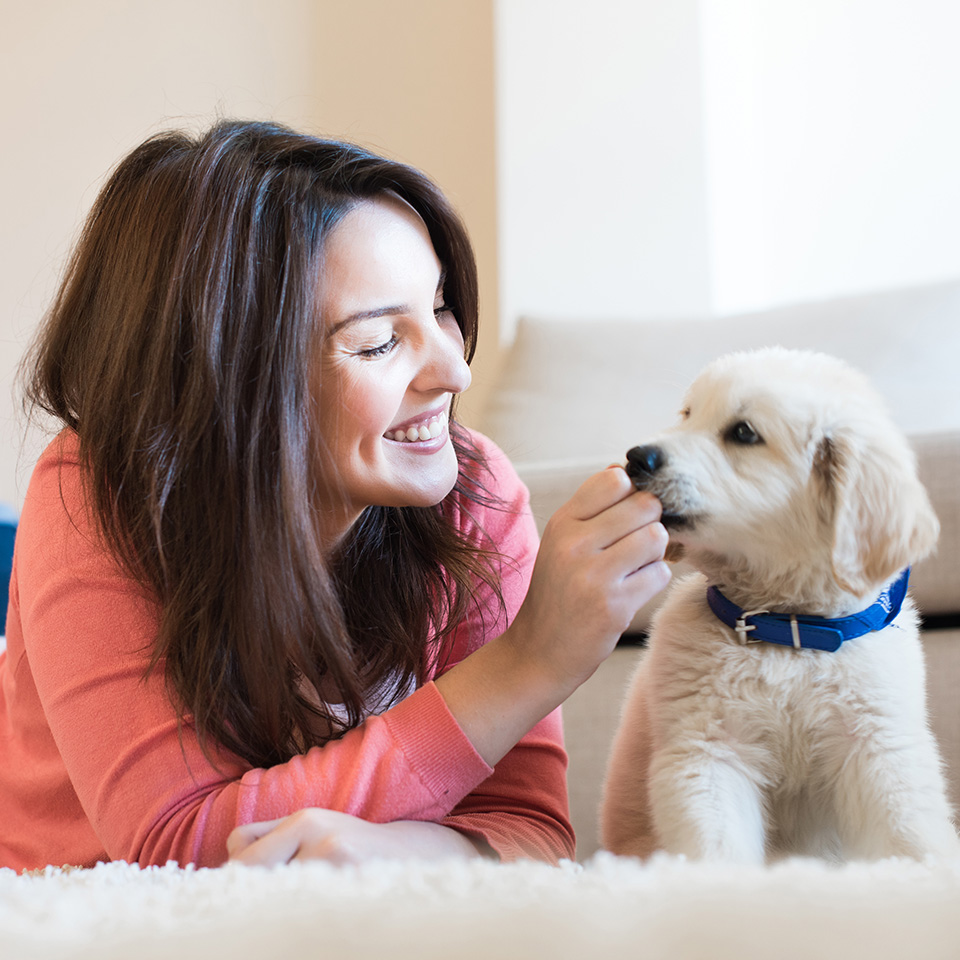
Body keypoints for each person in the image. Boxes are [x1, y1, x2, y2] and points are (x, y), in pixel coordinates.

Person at [0, 120, 670, 871]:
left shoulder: (474, 492)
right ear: (230, 379)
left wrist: (392, 853)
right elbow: (173, 846)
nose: (456, 372)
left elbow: (529, 832)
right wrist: (526, 665)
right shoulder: (99, 490)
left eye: (442, 308)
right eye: (380, 341)